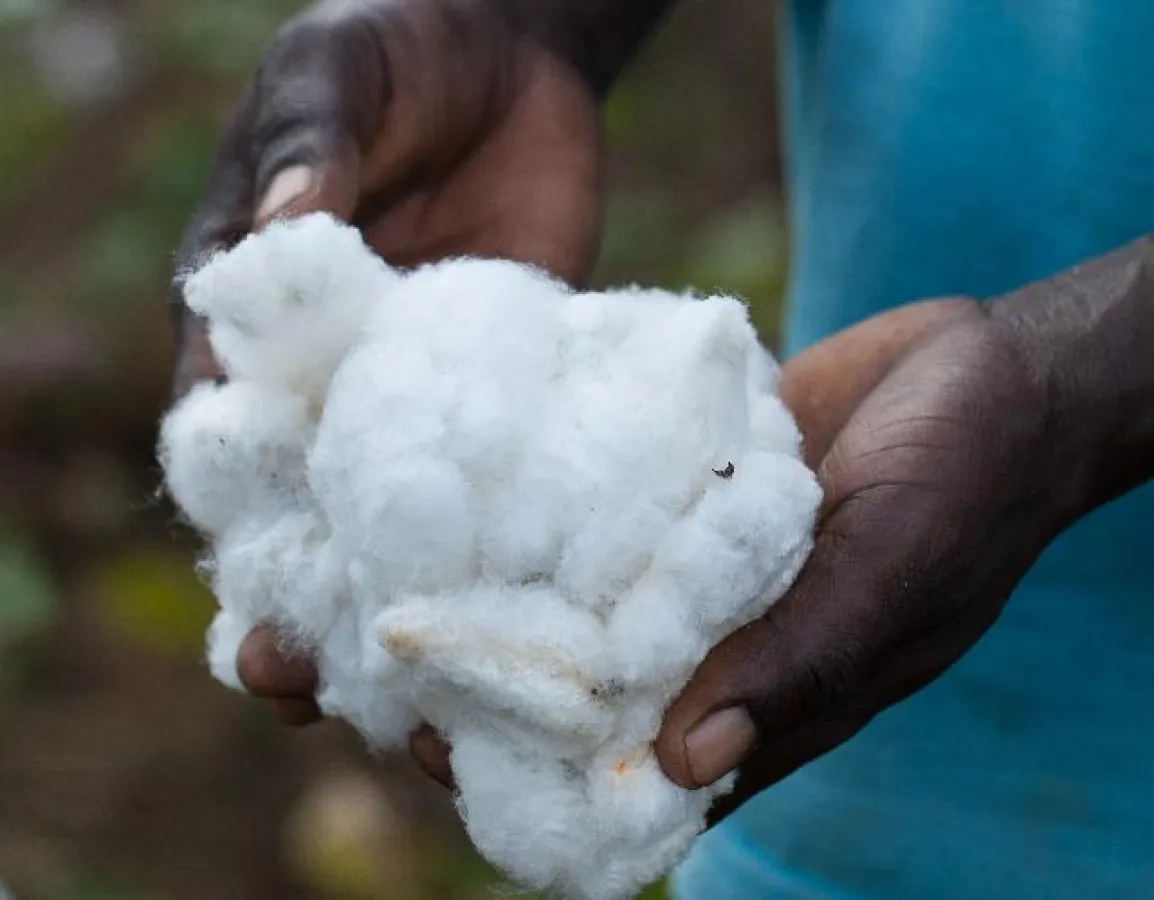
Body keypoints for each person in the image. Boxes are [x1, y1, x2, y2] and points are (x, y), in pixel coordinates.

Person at [170, 1, 1154, 897]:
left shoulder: (706, 466)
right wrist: (525, 25)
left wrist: (1094, 372)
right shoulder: (700, 451)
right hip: (815, 835)